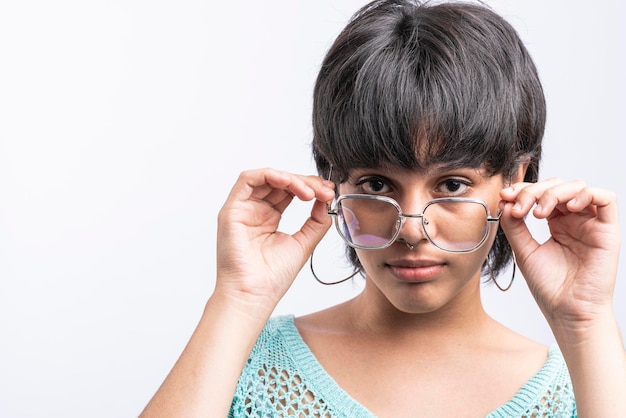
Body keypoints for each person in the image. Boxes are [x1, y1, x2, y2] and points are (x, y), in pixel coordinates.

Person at [140, 1, 625, 416]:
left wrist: (585, 322)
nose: (411, 227)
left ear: (515, 182)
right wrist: (238, 300)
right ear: (332, 180)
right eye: (377, 183)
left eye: (452, 184)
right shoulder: (244, 366)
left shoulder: (583, 387)